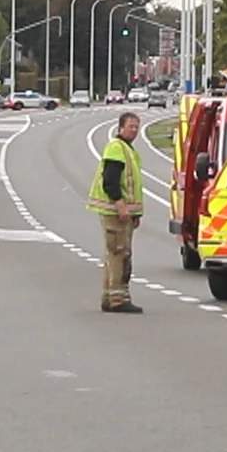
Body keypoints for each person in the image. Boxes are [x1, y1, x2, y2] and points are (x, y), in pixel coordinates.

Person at [87, 112, 144, 314]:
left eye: (137, 126)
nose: (135, 130)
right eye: (131, 126)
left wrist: (135, 213)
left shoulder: (128, 150)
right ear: (120, 128)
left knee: (114, 254)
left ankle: (109, 297)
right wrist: (120, 205)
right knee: (119, 253)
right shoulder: (116, 148)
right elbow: (110, 180)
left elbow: (131, 185)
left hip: (123, 212)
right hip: (115, 212)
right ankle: (118, 299)